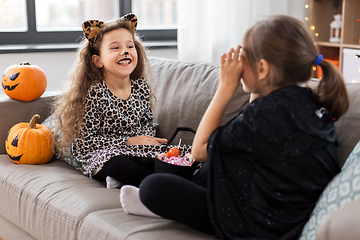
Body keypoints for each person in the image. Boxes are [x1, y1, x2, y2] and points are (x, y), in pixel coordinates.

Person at [119, 15, 350, 239]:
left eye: (244, 58)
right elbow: (245, 135)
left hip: (257, 227)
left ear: (262, 69)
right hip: (284, 214)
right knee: (223, 155)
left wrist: (225, 87)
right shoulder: (309, 101)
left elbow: (199, 150)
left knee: (153, 186)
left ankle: (160, 206)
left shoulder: (265, 113)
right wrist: (256, 84)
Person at [53, 14, 191, 188]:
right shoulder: (95, 93)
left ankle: (164, 180)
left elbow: (146, 123)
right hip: (106, 154)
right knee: (118, 164)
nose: (125, 51)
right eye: (115, 47)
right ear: (98, 60)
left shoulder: (141, 87)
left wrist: (148, 142)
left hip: (137, 152)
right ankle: (159, 185)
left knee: (182, 154)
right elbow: (86, 144)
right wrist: (127, 141)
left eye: (130, 46)